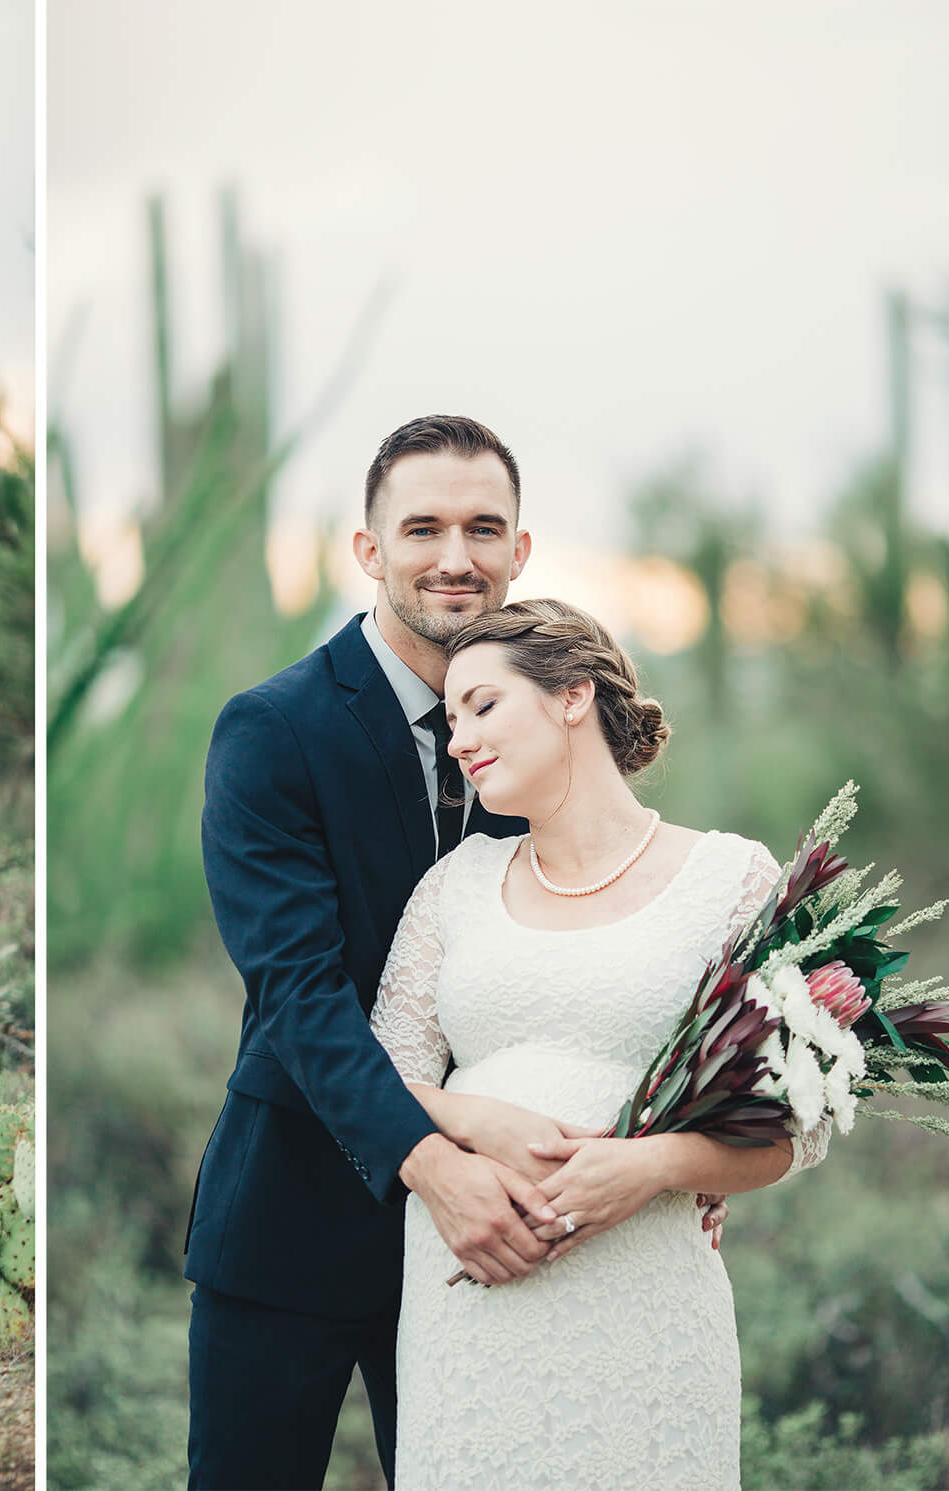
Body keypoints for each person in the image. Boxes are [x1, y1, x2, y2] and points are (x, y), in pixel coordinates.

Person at [371, 596, 827, 1489]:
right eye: (451, 716)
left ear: (572, 695)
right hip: (469, 1293)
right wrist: (477, 1120)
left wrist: (654, 1166)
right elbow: (380, 1080)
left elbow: (789, 1133)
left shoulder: (731, 880)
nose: (458, 738)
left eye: (483, 705)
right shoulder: (452, 888)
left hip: (646, 1295)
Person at [190, 415, 557, 1489]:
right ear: (368, 551)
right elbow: (298, 996)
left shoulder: (543, 746)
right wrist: (431, 1166)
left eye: (483, 528)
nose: (455, 558)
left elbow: (583, 959)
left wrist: (659, 1147)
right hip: (292, 1219)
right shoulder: (271, 730)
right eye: (423, 528)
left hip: (492, 1241)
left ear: (519, 552)